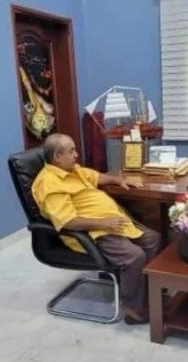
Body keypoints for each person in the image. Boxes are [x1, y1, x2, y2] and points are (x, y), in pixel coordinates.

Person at [31, 133, 161, 324]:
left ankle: (146, 294)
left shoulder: (72, 170)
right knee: (134, 256)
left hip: (114, 224)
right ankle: (134, 310)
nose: (76, 154)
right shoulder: (49, 184)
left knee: (153, 239)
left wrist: (118, 180)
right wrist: (103, 223)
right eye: (71, 151)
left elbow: (96, 176)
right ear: (57, 157)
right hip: (93, 232)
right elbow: (68, 222)